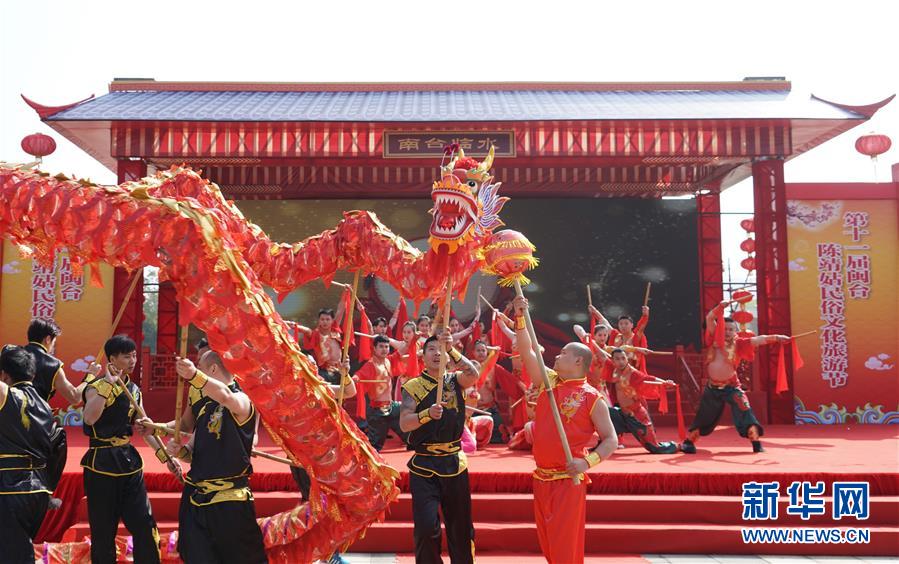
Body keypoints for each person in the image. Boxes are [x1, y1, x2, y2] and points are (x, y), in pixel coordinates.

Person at [512, 295, 618, 563]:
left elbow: (610, 440)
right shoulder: (550, 383)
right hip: (541, 478)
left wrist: (588, 462)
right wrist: (521, 317)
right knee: (548, 542)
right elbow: (527, 352)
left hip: (567, 481)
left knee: (564, 544)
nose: (557, 357)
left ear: (579, 362)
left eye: (563, 354)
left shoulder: (593, 398)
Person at [161, 351, 268, 564]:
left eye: (200, 367)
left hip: (229, 500)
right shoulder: (204, 405)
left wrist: (193, 375)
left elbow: (225, 396)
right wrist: (175, 447)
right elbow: (190, 449)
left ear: (211, 370)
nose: (198, 372)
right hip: (195, 498)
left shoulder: (243, 400)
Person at [81, 335, 170, 564]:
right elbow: (89, 418)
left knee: (144, 523)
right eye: (126, 356)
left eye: (134, 355)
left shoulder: (134, 390)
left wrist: (167, 458)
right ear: (112, 359)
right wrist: (109, 385)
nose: (132, 360)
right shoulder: (96, 387)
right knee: (103, 531)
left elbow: (144, 427)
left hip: (129, 464)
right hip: (101, 465)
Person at [399, 331, 479, 563]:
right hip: (424, 466)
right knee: (426, 527)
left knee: (461, 529)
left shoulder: (455, 381)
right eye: (431, 349)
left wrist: (452, 348)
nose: (437, 353)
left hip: (455, 464)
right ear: (423, 356)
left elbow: (472, 374)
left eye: (440, 350)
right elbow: (405, 423)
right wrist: (426, 414)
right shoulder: (413, 386)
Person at [681, 302, 791, 454]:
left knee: (745, 410)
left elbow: (760, 339)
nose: (727, 332)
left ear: (736, 331)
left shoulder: (740, 344)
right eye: (724, 329)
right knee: (704, 417)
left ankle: (756, 443)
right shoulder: (713, 339)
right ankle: (689, 442)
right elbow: (709, 318)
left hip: (731, 387)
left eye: (731, 329)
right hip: (712, 388)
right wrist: (719, 307)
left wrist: (777, 337)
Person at [0, 345, 55, 562]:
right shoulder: (45, 405)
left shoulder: (7, 394)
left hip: (10, 487)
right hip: (39, 489)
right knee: (18, 548)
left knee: (13, 555)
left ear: (4, 375)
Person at [24, 318, 87, 507]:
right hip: (36, 419)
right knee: (59, 440)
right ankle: (47, 492)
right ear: (48, 339)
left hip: (7, 412)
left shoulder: (11, 355)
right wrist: (89, 377)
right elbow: (75, 397)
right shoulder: (52, 364)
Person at [606, 348, 679, 454]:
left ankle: (677, 446)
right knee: (607, 413)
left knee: (654, 448)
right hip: (622, 414)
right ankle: (603, 444)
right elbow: (603, 353)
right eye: (617, 359)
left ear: (627, 359)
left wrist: (665, 383)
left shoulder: (633, 373)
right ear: (612, 361)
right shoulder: (614, 371)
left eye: (623, 358)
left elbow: (649, 379)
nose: (621, 361)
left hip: (636, 415)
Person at [354, 335, 406, 450]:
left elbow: (403, 348)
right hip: (377, 411)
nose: (384, 349)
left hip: (391, 406)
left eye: (386, 347)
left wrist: (391, 339)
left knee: (407, 415)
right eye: (381, 346)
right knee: (375, 446)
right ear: (374, 348)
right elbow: (359, 374)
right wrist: (355, 378)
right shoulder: (370, 364)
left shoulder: (388, 360)